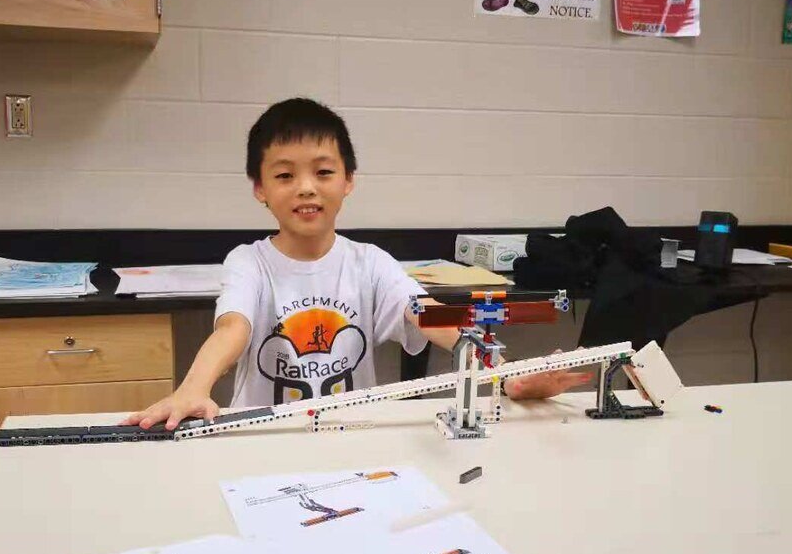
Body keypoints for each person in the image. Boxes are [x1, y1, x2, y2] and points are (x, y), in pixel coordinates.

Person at [122, 98, 590, 430]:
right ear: (259, 188)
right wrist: (193, 388)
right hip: (261, 439)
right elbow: (233, 330)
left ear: (348, 181)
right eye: (285, 175)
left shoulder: (370, 264)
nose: (306, 187)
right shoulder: (249, 263)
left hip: (353, 441)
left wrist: (504, 372)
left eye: (323, 172)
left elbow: (431, 316)